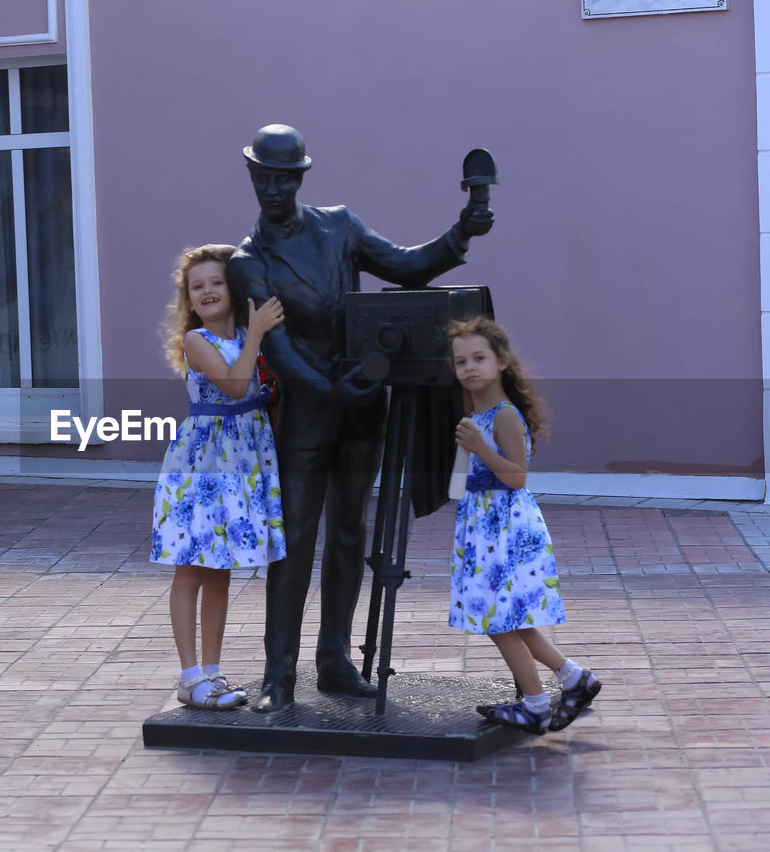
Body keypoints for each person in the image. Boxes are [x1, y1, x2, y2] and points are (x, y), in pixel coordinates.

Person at [225, 124, 495, 713]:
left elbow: (405, 266)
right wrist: (329, 390)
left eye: (282, 177)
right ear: (252, 177)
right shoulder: (248, 262)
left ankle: (335, 662)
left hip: (362, 403)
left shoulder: (339, 226)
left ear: (299, 177)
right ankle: (279, 674)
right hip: (307, 411)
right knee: (294, 541)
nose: (271, 187)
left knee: (349, 532)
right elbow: (277, 347)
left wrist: (459, 234)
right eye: (262, 176)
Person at [448, 316, 601, 734]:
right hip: (482, 524)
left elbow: (517, 477)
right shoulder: (474, 413)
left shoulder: (504, 416)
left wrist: (479, 447)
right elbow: (463, 481)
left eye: (479, 358)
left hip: (506, 525)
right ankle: (573, 679)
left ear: (500, 362)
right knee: (507, 619)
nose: (469, 368)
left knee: (499, 620)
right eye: (461, 361)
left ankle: (536, 703)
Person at [151, 243, 288, 709]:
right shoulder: (198, 342)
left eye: (216, 282)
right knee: (192, 566)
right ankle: (189, 676)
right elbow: (232, 386)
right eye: (197, 286)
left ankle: (213, 671)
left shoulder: (249, 337)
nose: (207, 291)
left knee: (220, 571)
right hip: (204, 466)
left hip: (241, 463)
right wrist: (258, 335)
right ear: (188, 300)